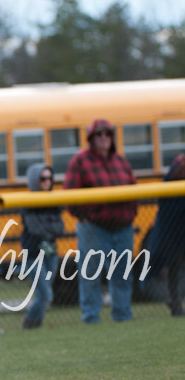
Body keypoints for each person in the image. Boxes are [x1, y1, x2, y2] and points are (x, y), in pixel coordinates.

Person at [64, 119, 137, 324]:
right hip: (95, 228)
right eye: (99, 134)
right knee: (90, 275)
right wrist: (86, 216)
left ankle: (123, 315)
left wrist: (131, 214)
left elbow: (134, 189)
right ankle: (91, 317)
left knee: (122, 275)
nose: (104, 137)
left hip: (123, 227)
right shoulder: (80, 161)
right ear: (91, 138)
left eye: (108, 133)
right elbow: (69, 195)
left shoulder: (121, 161)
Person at [20, 163, 65, 329]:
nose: (47, 182)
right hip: (33, 254)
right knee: (46, 294)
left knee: (42, 295)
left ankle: (35, 325)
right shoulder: (29, 202)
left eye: (49, 178)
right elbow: (34, 228)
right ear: (34, 181)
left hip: (51, 253)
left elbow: (60, 229)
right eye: (43, 178)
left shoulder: (53, 201)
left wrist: (46, 226)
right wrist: (49, 226)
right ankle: (28, 322)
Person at [145, 153, 185, 316]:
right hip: (175, 228)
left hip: (175, 228)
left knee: (175, 265)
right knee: (174, 264)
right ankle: (175, 302)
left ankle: (175, 302)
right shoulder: (177, 168)